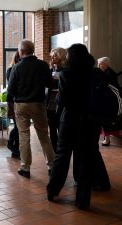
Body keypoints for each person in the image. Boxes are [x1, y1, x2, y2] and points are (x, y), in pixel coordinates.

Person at [47, 44, 110, 209]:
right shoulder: (97, 73)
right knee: (86, 160)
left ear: (72, 57)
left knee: (62, 157)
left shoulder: (66, 75)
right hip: (91, 123)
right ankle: (83, 200)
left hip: (69, 121)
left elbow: (61, 101)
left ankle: (53, 190)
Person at [8, 39, 55, 178]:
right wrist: (45, 101)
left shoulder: (16, 68)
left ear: (21, 51)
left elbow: (11, 90)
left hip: (21, 105)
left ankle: (25, 168)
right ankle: (51, 166)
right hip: (38, 104)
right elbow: (49, 85)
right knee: (44, 136)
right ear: (32, 50)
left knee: (24, 136)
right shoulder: (43, 65)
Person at [46, 48, 67, 152]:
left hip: (62, 101)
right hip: (50, 101)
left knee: (61, 126)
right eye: (52, 56)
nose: (52, 58)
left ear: (61, 57)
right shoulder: (50, 69)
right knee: (52, 126)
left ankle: (61, 149)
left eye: (54, 56)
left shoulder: (66, 70)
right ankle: (55, 150)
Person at [97, 57, 119, 146]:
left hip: (109, 100)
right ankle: (107, 138)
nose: (98, 65)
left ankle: (107, 139)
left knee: (107, 121)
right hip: (106, 99)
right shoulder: (105, 72)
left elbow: (109, 86)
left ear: (105, 64)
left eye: (100, 64)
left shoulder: (109, 73)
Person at [6, 52, 20, 159]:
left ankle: (14, 147)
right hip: (13, 100)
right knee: (18, 126)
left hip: (16, 100)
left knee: (18, 126)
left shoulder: (11, 69)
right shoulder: (11, 70)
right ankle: (13, 146)